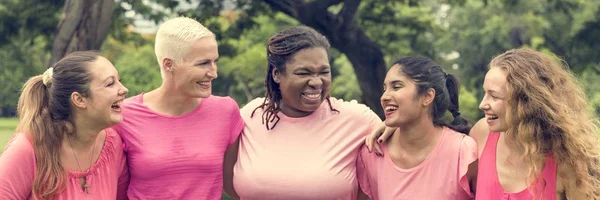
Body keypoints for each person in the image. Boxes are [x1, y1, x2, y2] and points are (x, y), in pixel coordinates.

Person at [231, 26, 381, 200]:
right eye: (303, 73)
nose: (317, 82)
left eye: (324, 72)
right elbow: (229, 180)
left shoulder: (358, 120)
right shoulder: (250, 116)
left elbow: (402, 157)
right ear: (277, 74)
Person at [112, 16, 244, 199]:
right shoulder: (122, 116)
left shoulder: (226, 111)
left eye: (215, 61)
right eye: (203, 63)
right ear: (169, 65)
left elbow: (236, 184)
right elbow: (112, 188)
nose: (214, 73)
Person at [471, 48, 600, 199]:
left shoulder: (567, 161)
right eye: (485, 93)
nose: (482, 104)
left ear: (526, 101)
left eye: (494, 96)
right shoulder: (480, 134)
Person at [0, 51, 129, 199]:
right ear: (79, 99)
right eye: (110, 83)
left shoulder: (113, 145)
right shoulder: (28, 149)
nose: (124, 89)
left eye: (119, 80)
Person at [356, 56, 477, 200]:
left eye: (396, 86)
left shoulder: (463, 152)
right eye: (385, 89)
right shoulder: (372, 152)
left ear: (427, 96)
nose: (384, 97)